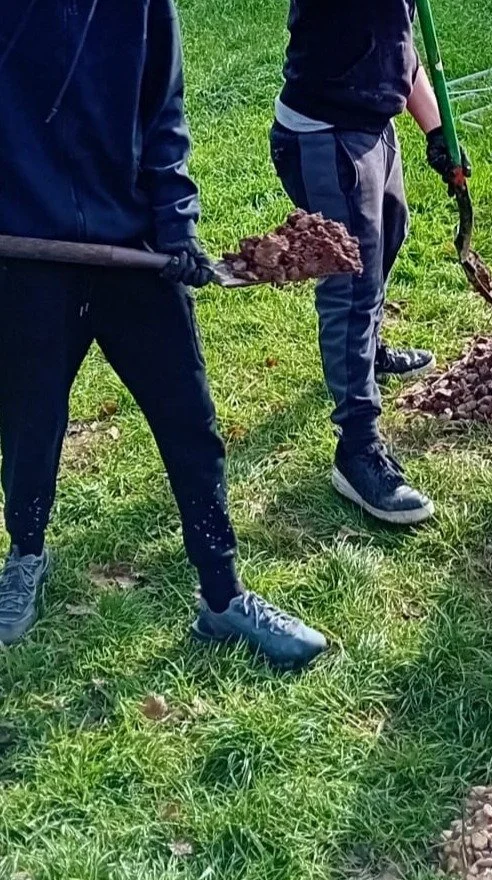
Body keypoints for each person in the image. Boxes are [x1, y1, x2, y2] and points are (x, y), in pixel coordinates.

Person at [0, 0, 327, 669]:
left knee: (190, 421)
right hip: (26, 258)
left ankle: (223, 594)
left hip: (136, 253)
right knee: (30, 424)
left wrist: (176, 225)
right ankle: (25, 554)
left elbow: (164, 113)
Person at [270, 0, 469, 526]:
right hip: (324, 136)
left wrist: (434, 130)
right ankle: (356, 450)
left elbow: (398, 50)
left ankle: (368, 352)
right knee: (351, 284)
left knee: (390, 233)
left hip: (373, 128)